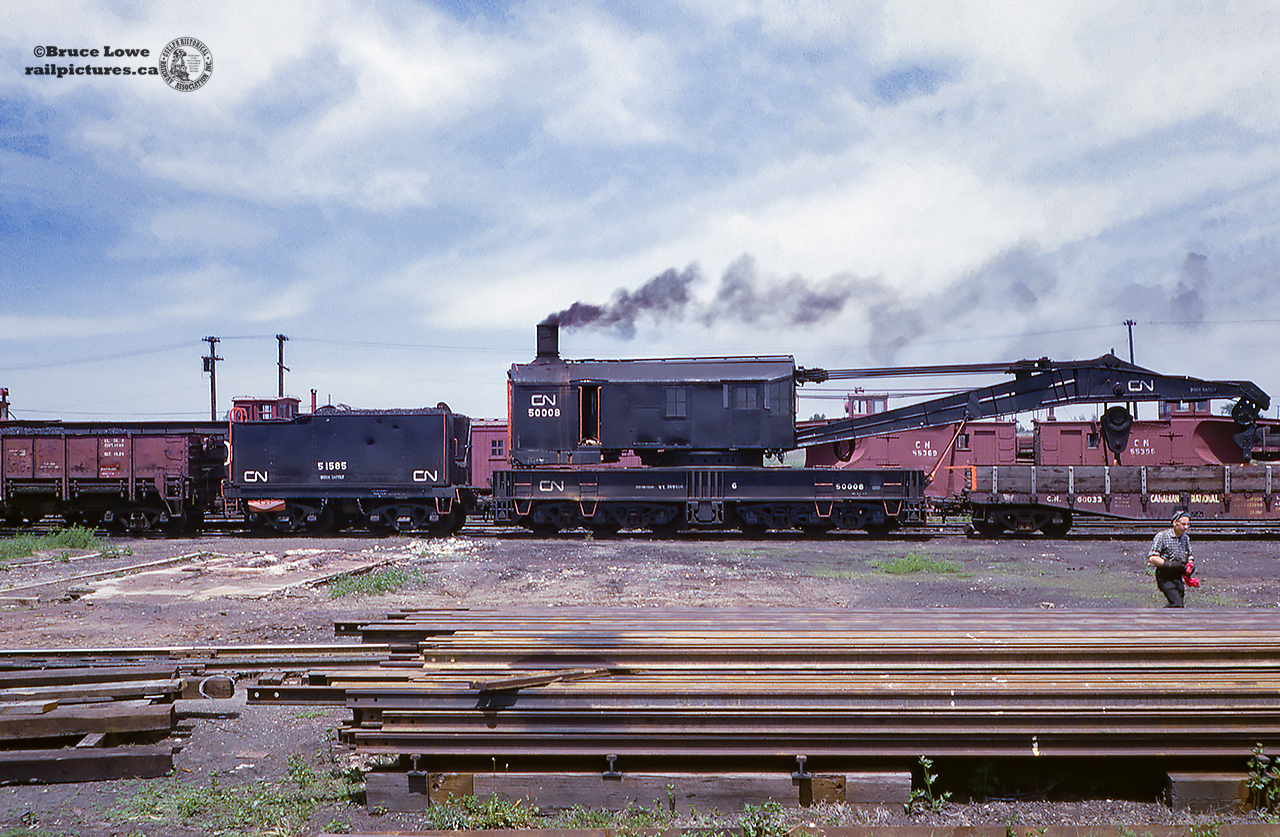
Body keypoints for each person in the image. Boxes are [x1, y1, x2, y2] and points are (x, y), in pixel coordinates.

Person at [1147, 511, 1194, 607]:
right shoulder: (1162, 536)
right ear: (1175, 523)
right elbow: (1152, 558)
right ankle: (1159, 616)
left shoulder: (1185, 538)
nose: (1186, 527)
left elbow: (1189, 555)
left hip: (1177, 575)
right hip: (1165, 575)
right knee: (1176, 604)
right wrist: (1169, 564)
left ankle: (1170, 620)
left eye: (1187, 524)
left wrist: (1190, 565)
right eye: (1183, 524)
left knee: (1179, 603)